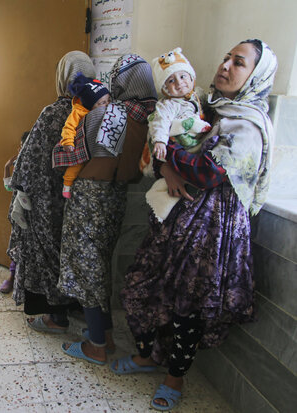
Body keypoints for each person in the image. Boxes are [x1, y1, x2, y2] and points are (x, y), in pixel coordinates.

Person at [113, 39, 277, 411]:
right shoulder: (208, 107)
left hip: (211, 230)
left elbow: (207, 172)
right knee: (141, 282)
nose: (226, 66)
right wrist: (167, 163)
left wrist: (169, 156)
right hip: (177, 218)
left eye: (239, 62)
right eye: (225, 57)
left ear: (257, 75)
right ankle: (146, 357)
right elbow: (170, 147)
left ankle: (174, 379)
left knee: (188, 303)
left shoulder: (249, 126)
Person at [55, 54, 157, 363]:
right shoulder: (146, 118)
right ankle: (106, 334)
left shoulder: (108, 114)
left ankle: (97, 345)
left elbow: (67, 155)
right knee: (100, 263)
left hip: (89, 197)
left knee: (88, 269)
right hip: (116, 197)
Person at [7, 51, 96, 333]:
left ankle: (55, 317)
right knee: (74, 254)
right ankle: (77, 307)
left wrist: (21, 191)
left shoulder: (54, 112)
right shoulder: (98, 111)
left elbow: (30, 159)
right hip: (82, 198)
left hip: (48, 199)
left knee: (47, 253)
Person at [144, 47, 211, 221]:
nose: (179, 83)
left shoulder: (197, 96)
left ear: (191, 77)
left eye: (183, 77)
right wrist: (159, 140)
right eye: (171, 81)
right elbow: (160, 121)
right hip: (179, 142)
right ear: (165, 89)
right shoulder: (167, 104)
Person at [56, 75, 111, 198]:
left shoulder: (109, 110)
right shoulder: (78, 112)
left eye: (108, 100)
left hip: (95, 147)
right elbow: (68, 127)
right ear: (89, 105)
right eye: (102, 103)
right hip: (79, 144)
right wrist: (68, 142)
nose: (107, 105)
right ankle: (67, 184)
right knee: (76, 164)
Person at [0, 131, 30, 294]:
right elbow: (8, 186)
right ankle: (11, 277)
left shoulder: (35, 166)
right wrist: (6, 167)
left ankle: (24, 281)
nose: (21, 149)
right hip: (17, 216)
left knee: (27, 248)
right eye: (20, 146)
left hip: (31, 215)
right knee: (16, 246)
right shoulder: (18, 164)